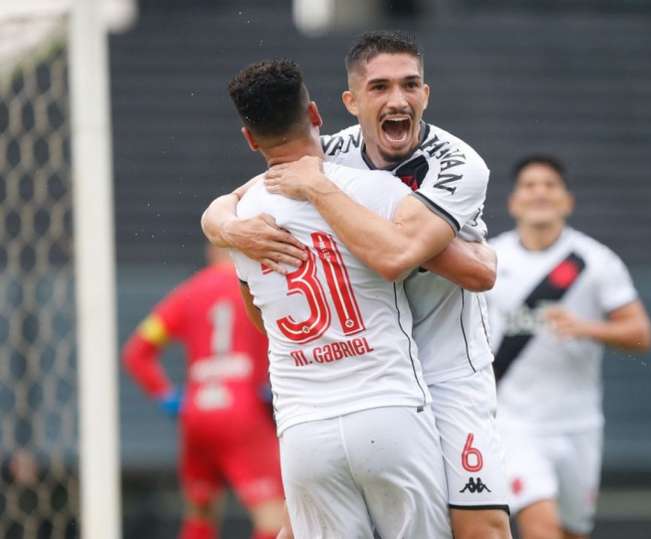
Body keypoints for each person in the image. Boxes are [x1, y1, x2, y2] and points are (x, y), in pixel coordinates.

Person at [202, 31, 511, 539]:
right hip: (369, 373)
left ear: (426, 94)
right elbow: (235, 199)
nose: (397, 100)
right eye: (380, 87)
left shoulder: (457, 163)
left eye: (410, 85)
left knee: (483, 529)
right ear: (349, 103)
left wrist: (322, 194)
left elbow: (426, 261)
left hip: (447, 369)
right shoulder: (334, 151)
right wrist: (224, 226)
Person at [226, 58, 453, 538]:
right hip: (388, 409)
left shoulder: (242, 220)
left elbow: (259, 317)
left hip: (304, 429)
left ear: (249, 139)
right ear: (315, 114)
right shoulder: (376, 190)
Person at [486, 155, 651, 539]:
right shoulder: (490, 260)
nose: (540, 193)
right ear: (514, 202)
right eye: (530, 186)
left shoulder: (595, 262)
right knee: (540, 524)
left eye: (550, 185)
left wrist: (587, 328)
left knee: (571, 531)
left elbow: (641, 333)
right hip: (515, 424)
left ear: (567, 201)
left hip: (578, 424)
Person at [122, 245, 284, 539]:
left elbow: (137, 353)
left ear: (211, 250)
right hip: (243, 412)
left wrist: (169, 399)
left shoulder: (187, 293)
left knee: (201, 513)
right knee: (274, 518)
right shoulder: (261, 287)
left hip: (197, 414)